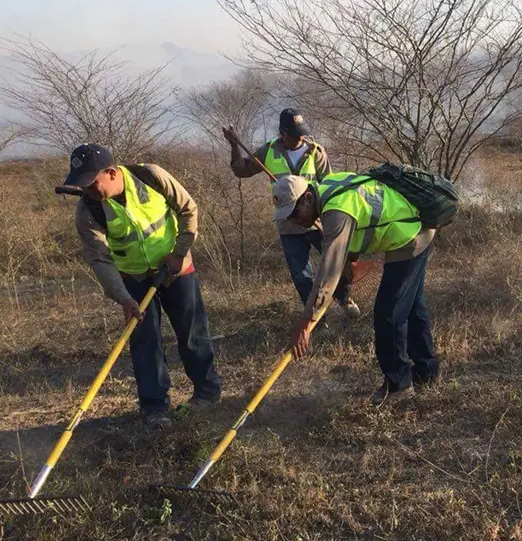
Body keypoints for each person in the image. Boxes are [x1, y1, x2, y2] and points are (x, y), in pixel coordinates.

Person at [60, 143, 222, 429]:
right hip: (132, 279)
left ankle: (207, 393)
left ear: (110, 173)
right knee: (144, 342)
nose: (87, 191)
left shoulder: (152, 177)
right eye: (82, 186)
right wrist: (123, 298)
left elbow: (188, 210)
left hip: (176, 269)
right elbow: (99, 259)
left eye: (91, 183)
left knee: (192, 331)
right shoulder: (88, 211)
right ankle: (154, 407)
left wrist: (179, 252)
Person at [280, 172, 439, 406]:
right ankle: (427, 372)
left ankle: (399, 386)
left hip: (411, 236)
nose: (295, 221)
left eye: (294, 213)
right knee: (412, 305)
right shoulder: (330, 187)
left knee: (389, 313)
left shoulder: (335, 211)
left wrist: (306, 321)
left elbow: (328, 273)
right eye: (288, 218)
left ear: (307, 197)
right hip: (414, 228)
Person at [224, 108, 359, 319]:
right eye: (295, 135)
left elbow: (329, 185)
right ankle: (315, 316)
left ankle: (344, 298)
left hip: (317, 221)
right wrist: (233, 145)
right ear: (282, 133)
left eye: (302, 133)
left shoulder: (316, 151)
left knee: (334, 261)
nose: (300, 138)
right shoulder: (268, 151)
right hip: (289, 224)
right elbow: (241, 170)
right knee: (301, 276)